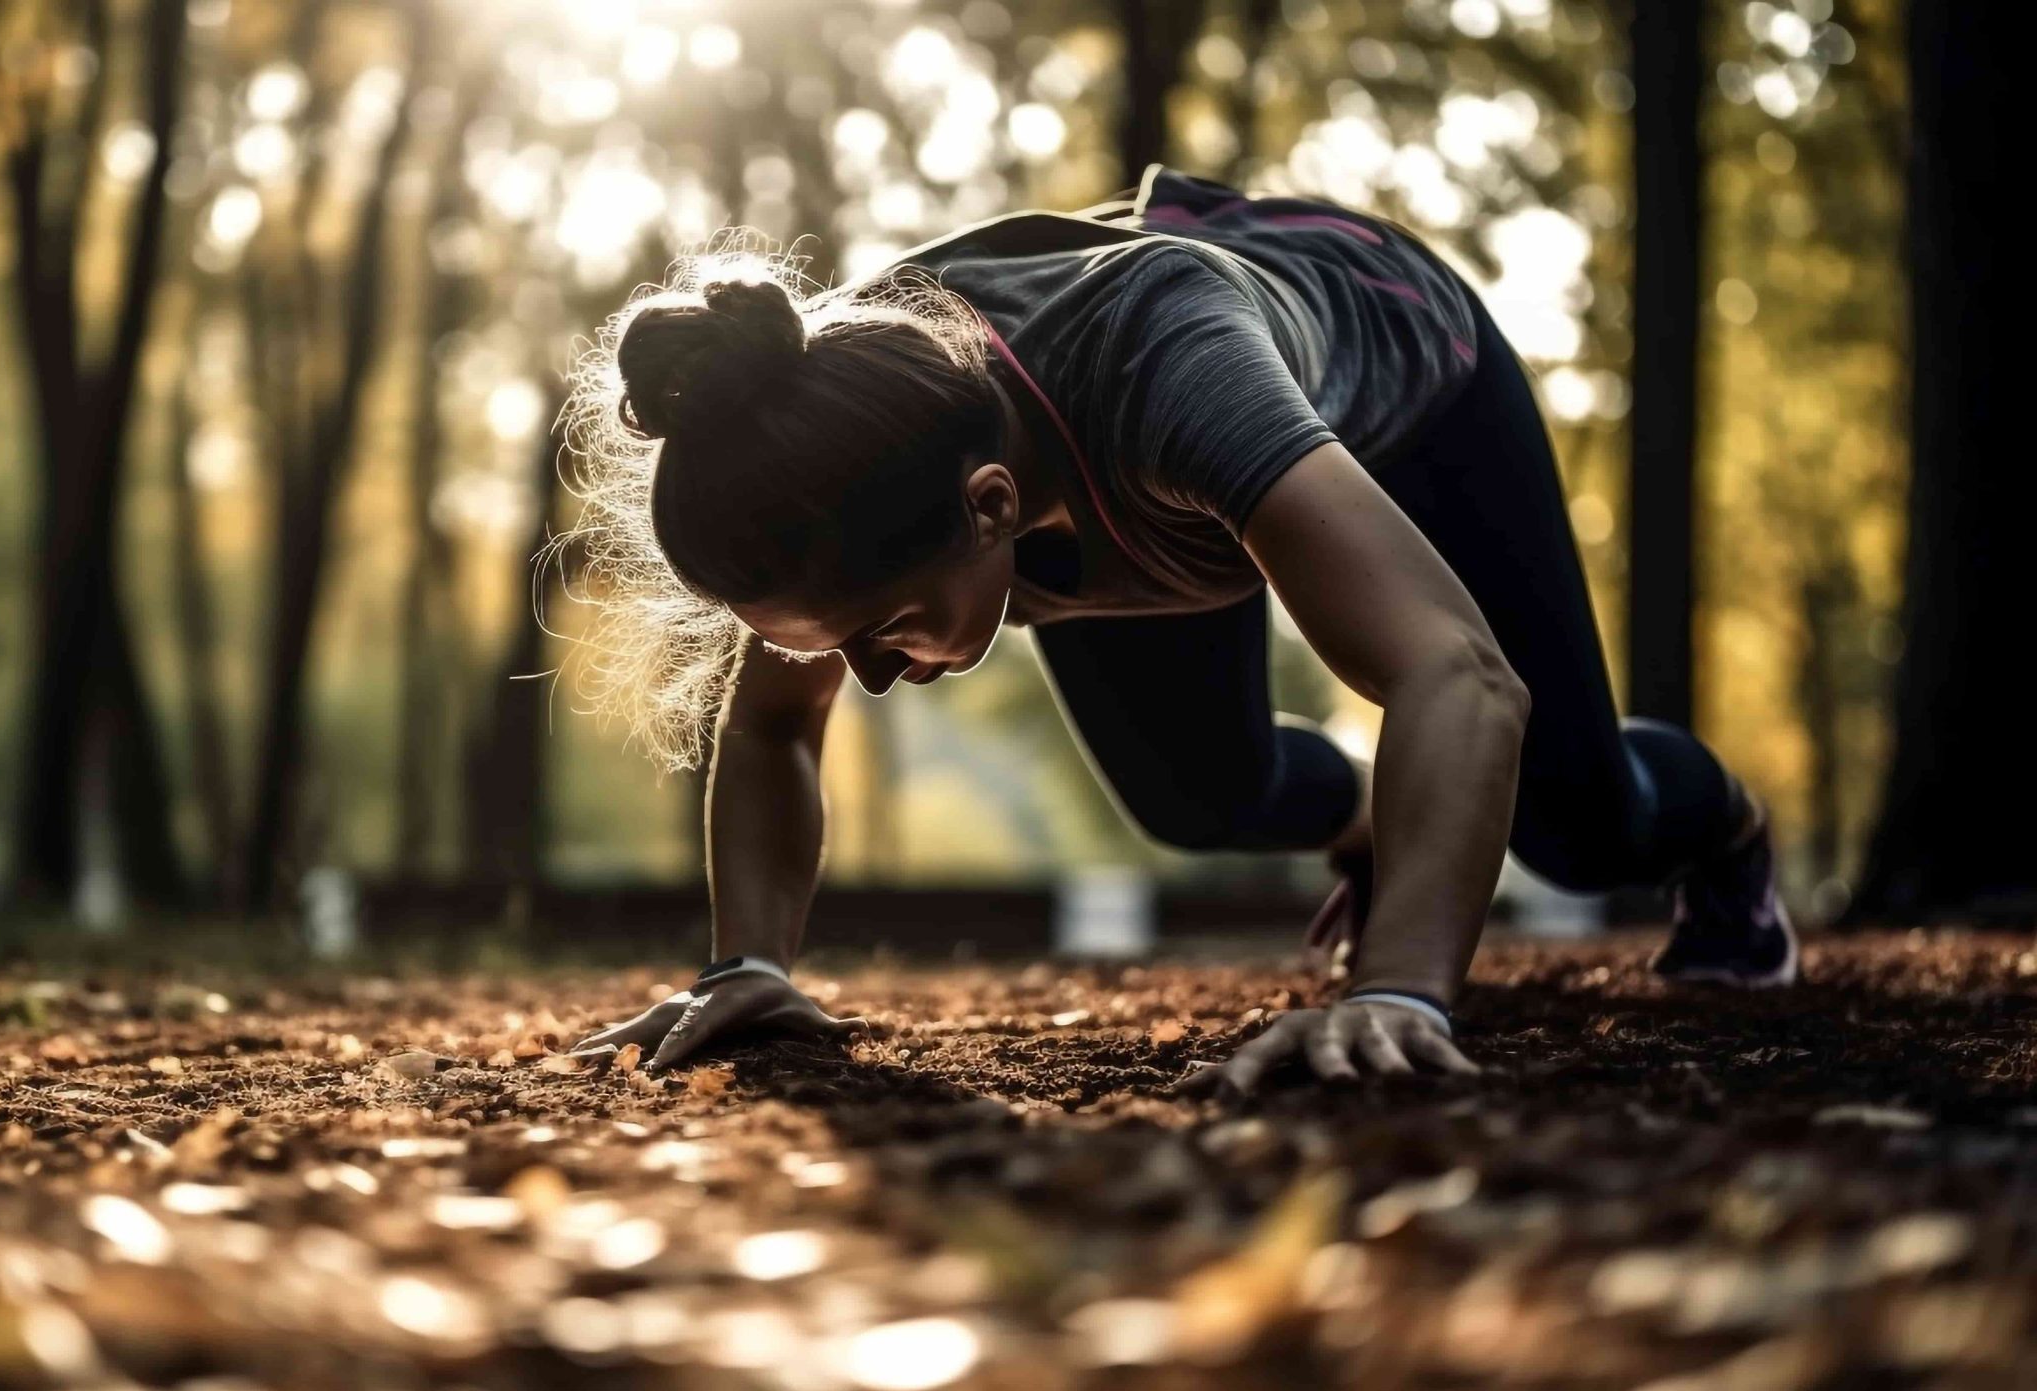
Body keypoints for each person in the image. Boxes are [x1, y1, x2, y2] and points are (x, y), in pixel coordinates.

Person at [557, 165, 1798, 1092]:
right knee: (1200, 798)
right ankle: (1377, 810)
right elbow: (773, 731)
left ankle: (1729, 834)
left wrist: (1399, 993)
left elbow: (1455, 674)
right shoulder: (829, 450)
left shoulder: (1166, 373)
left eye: (880, 633)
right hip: (1138, 481)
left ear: (990, 506)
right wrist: (747, 967)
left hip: (1412, 390)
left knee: (1577, 823)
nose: (870, 683)